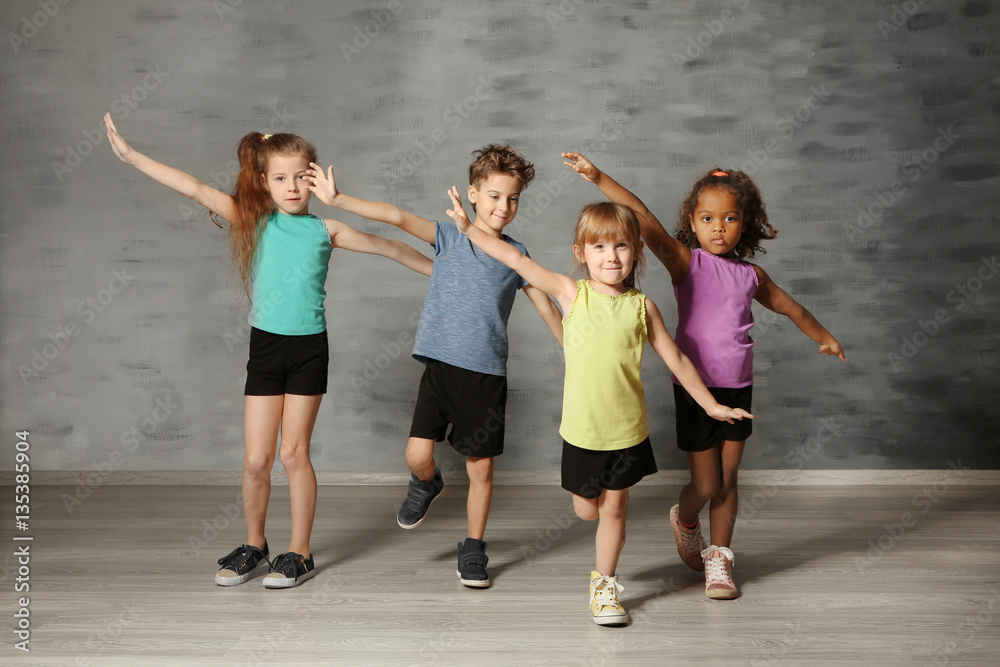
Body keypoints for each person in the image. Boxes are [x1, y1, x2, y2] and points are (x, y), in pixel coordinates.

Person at [104, 114, 433, 588]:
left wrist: (450, 273)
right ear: (265, 181)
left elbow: (393, 249)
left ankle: (299, 553)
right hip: (266, 349)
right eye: (281, 178)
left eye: (302, 177)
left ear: (316, 177)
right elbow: (195, 188)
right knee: (256, 460)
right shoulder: (253, 220)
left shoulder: (328, 230)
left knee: (294, 454)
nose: (292, 187)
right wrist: (132, 156)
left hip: (308, 351)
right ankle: (255, 545)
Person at [445, 187, 751, 624]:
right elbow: (516, 260)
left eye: (622, 245)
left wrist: (712, 406)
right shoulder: (572, 294)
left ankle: (604, 587)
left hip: (627, 433)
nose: (612, 256)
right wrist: (467, 228)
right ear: (581, 253)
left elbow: (678, 360)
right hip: (582, 434)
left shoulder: (643, 307)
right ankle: (588, 516)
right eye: (600, 246)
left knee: (614, 508)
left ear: (637, 252)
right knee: (586, 508)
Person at [563, 152, 845, 600]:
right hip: (695, 388)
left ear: (744, 224)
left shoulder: (752, 275)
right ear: (692, 224)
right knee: (707, 483)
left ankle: (719, 559)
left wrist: (823, 334)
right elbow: (643, 216)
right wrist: (598, 178)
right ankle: (685, 516)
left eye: (730, 218)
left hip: (738, 386)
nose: (719, 227)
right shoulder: (685, 262)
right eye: (708, 218)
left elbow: (790, 307)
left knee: (729, 480)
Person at [305, 145, 563, 589]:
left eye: (513, 198)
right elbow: (398, 217)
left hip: (486, 377)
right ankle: (426, 483)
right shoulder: (448, 236)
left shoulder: (515, 256)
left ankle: (474, 546)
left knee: (480, 466)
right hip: (440, 369)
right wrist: (338, 200)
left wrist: (574, 350)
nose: (504, 206)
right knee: (417, 455)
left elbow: (545, 305)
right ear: (474, 194)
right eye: (495, 195)